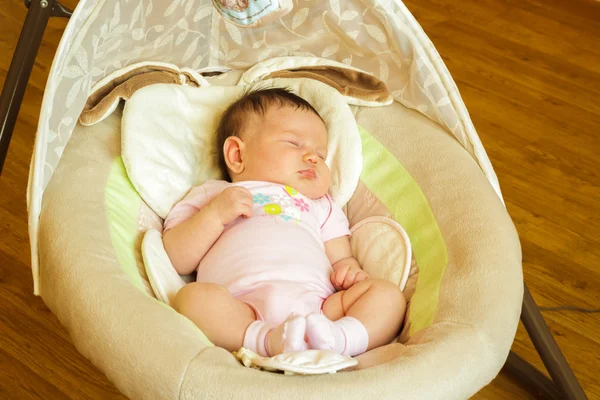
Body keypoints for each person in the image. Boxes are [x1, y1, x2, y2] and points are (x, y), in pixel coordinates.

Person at [162, 87, 406, 358]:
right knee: (192, 299)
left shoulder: (321, 204)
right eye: (294, 143)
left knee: (388, 296)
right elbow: (176, 257)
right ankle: (265, 341)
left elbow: (342, 259)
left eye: (321, 155)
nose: (313, 158)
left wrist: (349, 270)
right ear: (237, 155)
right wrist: (215, 216)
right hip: (242, 308)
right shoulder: (214, 195)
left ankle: (339, 339)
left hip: (320, 308)